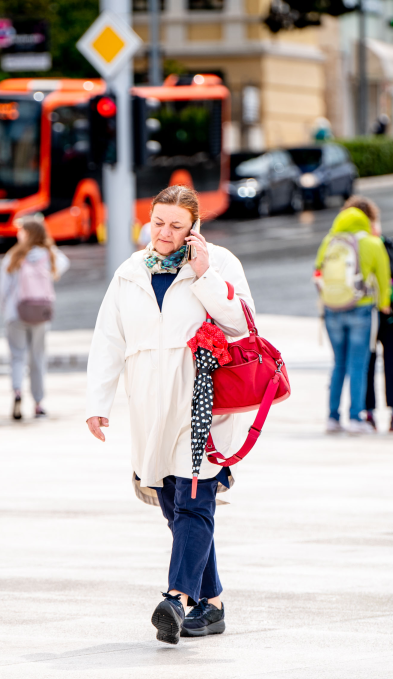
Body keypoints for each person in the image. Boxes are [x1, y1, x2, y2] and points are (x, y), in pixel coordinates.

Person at [85, 185, 254, 644]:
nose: (164, 232)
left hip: (203, 407)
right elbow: (108, 340)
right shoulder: (129, 273)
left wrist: (204, 276)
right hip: (150, 410)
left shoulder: (219, 264)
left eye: (176, 226)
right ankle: (211, 603)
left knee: (195, 499)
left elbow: (243, 323)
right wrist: (97, 405)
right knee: (174, 507)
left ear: (194, 228)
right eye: (159, 222)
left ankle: (176, 599)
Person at [341, 197, 393, 433]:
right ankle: (374, 413)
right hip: (373, 316)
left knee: (383, 364)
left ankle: (388, 413)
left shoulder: (383, 247)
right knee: (375, 365)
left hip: (381, 317)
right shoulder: (372, 246)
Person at [313, 205, 391, 434]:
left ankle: (333, 417)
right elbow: (383, 278)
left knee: (339, 363)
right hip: (361, 308)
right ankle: (356, 417)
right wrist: (384, 303)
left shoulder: (329, 240)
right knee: (358, 364)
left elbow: (318, 271)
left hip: (332, 309)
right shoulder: (372, 243)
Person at [0, 216, 70, 421]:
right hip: (41, 313)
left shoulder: (14, 256)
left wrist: (5, 311)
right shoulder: (49, 255)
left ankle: (18, 392)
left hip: (16, 313)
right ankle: (38, 404)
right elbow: (65, 262)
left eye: (22, 231)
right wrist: (48, 246)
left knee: (18, 356)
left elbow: (4, 289)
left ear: (27, 234)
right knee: (38, 357)